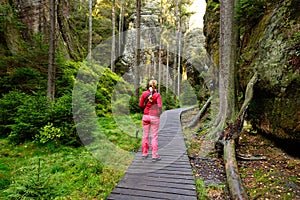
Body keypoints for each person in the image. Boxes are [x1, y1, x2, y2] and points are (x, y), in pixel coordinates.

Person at [139, 79, 162, 162]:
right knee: (154, 136)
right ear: (156, 86)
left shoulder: (144, 94)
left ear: (148, 85)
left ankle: (144, 153)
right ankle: (154, 155)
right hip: (154, 117)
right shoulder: (157, 95)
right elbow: (159, 106)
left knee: (145, 135)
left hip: (145, 116)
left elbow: (141, 105)